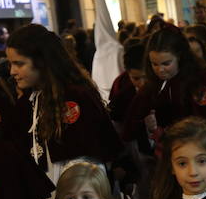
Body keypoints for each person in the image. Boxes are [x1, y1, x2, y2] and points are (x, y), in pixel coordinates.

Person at [7, 24, 122, 184]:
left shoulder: (75, 96)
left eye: (19, 64)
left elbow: (89, 158)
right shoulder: (28, 101)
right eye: (11, 64)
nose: (12, 71)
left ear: (42, 61)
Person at [124, 25, 206, 149]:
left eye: (166, 63)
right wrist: (149, 128)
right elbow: (133, 130)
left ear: (180, 57)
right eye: (154, 64)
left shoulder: (201, 79)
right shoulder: (151, 86)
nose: (160, 70)